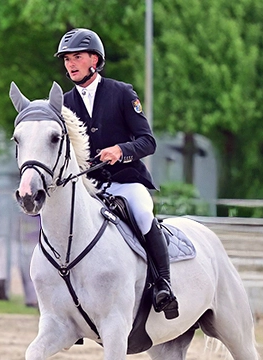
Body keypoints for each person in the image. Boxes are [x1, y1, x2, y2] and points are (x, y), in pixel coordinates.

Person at [55, 28, 179, 319]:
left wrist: (121, 150)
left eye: (77, 57)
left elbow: (148, 141)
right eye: (66, 59)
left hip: (126, 182)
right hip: (89, 188)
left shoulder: (122, 93)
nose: (70, 64)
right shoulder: (64, 104)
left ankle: (163, 284)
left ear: (94, 60)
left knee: (143, 214)